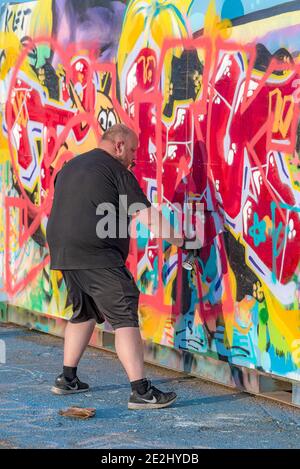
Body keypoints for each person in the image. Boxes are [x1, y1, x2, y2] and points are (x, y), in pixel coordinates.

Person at [46, 123, 184, 409]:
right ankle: (141, 391)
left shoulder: (70, 166)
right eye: (133, 149)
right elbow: (146, 215)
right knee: (124, 312)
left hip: (63, 250)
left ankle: (67, 378)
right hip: (96, 252)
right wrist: (182, 240)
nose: (135, 157)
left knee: (84, 311)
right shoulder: (117, 171)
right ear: (119, 145)